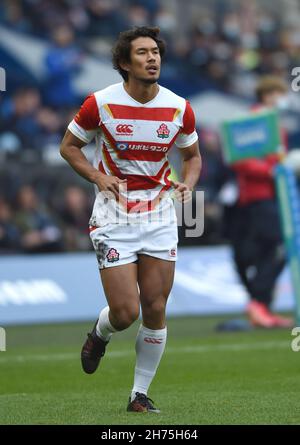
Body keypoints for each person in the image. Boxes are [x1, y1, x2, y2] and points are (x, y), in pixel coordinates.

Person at [60, 26, 201, 413]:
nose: (152, 58)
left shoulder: (178, 107)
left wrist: (188, 184)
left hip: (158, 214)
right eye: (142, 52)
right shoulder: (100, 103)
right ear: (124, 62)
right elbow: (69, 147)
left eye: (155, 51)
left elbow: (192, 156)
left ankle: (138, 395)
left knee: (155, 307)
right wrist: (96, 175)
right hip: (113, 215)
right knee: (126, 313)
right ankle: (100, 333)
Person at [230, 76, 293, 328]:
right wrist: (270, 171)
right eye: (278, 94)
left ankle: (263, 307)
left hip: (272, 194)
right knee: (277, 247)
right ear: (267, 95)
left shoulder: (274, 123)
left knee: (271, 248)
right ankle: (257, 302)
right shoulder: (252, 122)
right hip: (259, 195)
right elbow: (239, 160)